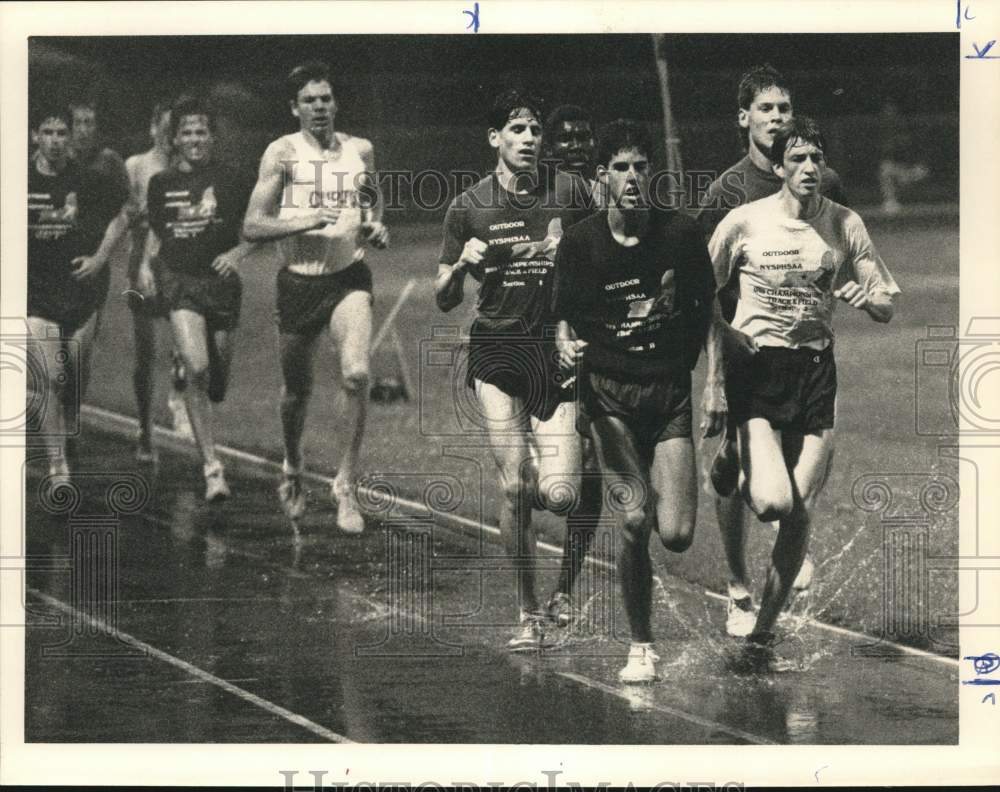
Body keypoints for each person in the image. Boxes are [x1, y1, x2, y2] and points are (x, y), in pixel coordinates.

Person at [708, 116, 899, 662]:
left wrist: (869, 301)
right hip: (758, 370)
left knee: (800, 510)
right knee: (770, 500)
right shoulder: (744, 222)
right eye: (798, 159)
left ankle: (763, 630)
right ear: (779, 168)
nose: (809, 168)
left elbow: (884, 300)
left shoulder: (845, 224)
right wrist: (725, 338)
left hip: (815, 372)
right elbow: (701, 288)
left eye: (816, 158)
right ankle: (739, 460)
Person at [554, 119, 726, 682]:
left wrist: (715, 384)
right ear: (602, 177)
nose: (632, 177)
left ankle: (649, 510)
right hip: (608, 398)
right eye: (621, 168)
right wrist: (565, 345)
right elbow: (562, 317)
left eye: (640, 167)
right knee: (632, 521)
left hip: (669, 393)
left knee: (674, 534)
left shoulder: (679, 235)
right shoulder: (581, 242)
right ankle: (641, 645)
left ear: (651, 173)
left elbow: (710, 315)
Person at [435, 88, 599, 650]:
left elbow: (606, 251)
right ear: (495, 139)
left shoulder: (570, 191)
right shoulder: (469, 206)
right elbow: (443, 297)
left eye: (534, 130)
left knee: (558, 493)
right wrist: (460, 266)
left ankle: (559, 589)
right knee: (514, 487)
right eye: (518, 130)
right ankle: (528, 610)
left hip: (554, 354)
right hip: (497, 352)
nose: (529, 139)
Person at [696, 65, 848, 637]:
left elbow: (835, 252)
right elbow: (702, 286)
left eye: (785, 107)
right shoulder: (726, 194)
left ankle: (785, 546)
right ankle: (736, 584)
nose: (777, 118)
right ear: (745, 119)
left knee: (784, 475)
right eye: (766, 109)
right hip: (741, 353)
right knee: (738, 472)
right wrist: (713, 377)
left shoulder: (822, 181)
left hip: (801, 355)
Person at [242, 61, 388, 531]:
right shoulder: (281, 153)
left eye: (326, 98)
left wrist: (375, 225)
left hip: (348, 277)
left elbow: (373, 201)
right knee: (296, 393)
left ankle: (346, 482)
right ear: (294, 108)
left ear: (335, 103)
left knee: (357, 374)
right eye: (309, 100)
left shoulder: (359, 149)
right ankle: (291, 464)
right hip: (299, 284)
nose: (319, 106)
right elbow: (251, 225)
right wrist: (307, 219)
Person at [147, 96, 254, 501]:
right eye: (187, 132)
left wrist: (238, 254)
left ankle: (188, 373)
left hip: (221, 286)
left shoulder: (232, 179)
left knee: (217, 385)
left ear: (211, 137)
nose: (194, 139)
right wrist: (146, 265)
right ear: (174, 138)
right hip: (182, 284)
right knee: (199, 366)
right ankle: (213, 469)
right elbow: (159, 231)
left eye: (201, 132)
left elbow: (257, 226)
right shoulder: (162, 184)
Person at [27, 103, 128, 478]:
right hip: (37, 292)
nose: (54, 141)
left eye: (61, 134)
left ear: (70, 139)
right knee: (53, 376)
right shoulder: (20, 178)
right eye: (48, 133)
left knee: (75, 376)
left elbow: (123, 215)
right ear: (35, 136)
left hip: (81, 292)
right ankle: (57, 467)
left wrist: (101, 258)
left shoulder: (88, 178)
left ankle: (69, 427)